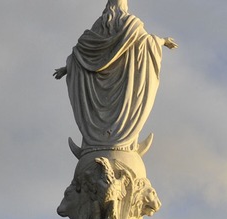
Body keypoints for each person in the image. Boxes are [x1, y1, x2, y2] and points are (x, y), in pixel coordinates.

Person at [54, 0, 177, 156]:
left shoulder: (100, 26)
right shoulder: (130, 24)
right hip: (124, 92)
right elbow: (146, 42)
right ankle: (118, 141)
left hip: (114, 89)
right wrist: (163, 41)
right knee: (122, 120)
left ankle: (104, 142)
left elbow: (83, 54)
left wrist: (67, 68)